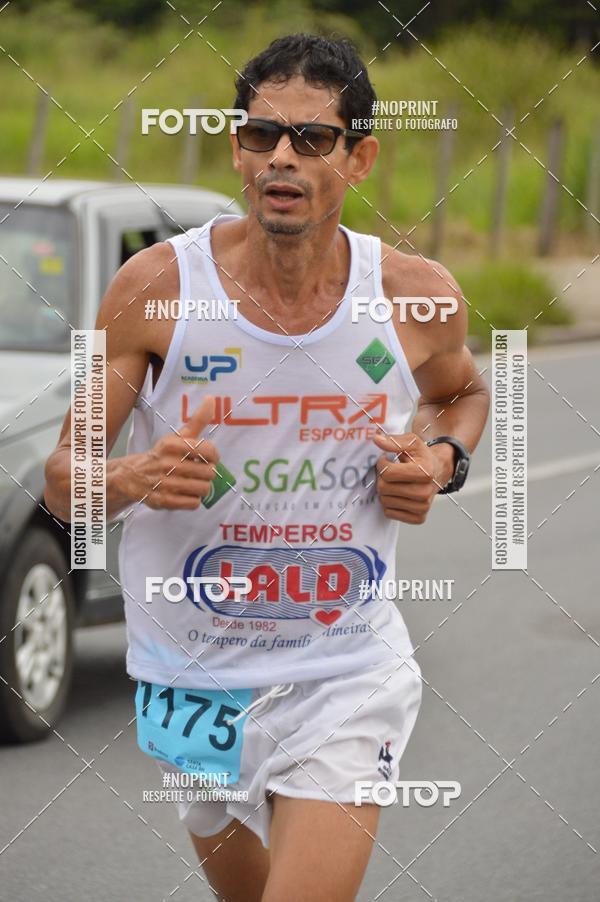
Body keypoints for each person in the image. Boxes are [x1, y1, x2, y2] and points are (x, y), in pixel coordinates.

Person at [44, 32, 489, 902]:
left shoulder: (411, 293)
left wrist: (439, 461)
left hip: (346, 669)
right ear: (239, 150)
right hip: (193, 680)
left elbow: (464, 394)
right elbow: (65, 474)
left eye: (311, 139)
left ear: (359, 158)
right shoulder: (156, 288)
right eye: (260, 135)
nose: (281, 157)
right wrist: (131, 480)